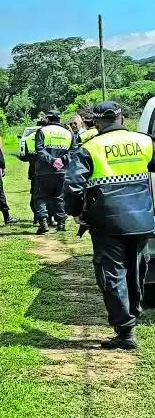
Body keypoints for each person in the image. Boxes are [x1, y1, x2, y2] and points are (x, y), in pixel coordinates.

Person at [64, 101, 155, 350]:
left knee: (112, 273)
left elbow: (72, 186)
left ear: (96, 123)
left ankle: (125, 331)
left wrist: (76, 212)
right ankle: (132, 314)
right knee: (136, 270)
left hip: (107, 222)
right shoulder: (145, 142)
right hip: (142, 219)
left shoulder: (89, 148)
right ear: (122, 119)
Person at [33, 110, 73, 234]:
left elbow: (39, 149)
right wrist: (62, 160)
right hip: (62, 171)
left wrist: (52, 160)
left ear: (48, 119)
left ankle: (43, 222)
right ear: (59, 119)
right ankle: (61, 223)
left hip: (44, 171)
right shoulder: (68, 133)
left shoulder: (42, 131)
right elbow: (73, 151)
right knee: (59, 197)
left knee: (40, 197)